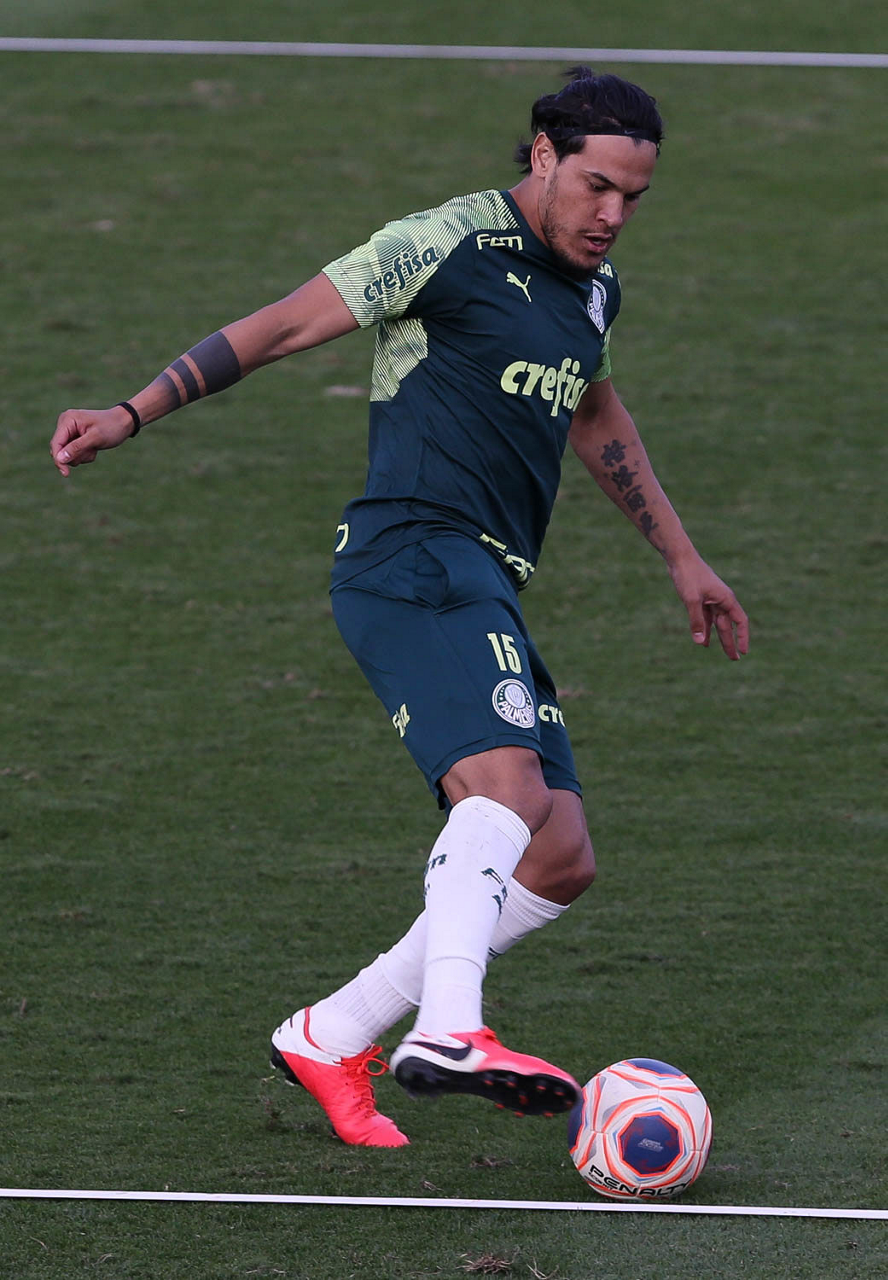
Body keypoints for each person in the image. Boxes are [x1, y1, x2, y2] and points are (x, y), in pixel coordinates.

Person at [51, 67, 748, 1149]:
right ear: (544, 155)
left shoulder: (593, 291)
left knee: (559, 852)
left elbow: (594, 410)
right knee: (507, 790)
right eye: (598, 186)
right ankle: (452, 1027)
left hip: (484, 580)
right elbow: (282, 327)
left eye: (634, 197)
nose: (613, 214)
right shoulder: (444, 244)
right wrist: (131, 412)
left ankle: (333, 1031)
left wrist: (682, 556)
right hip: (412, 553)